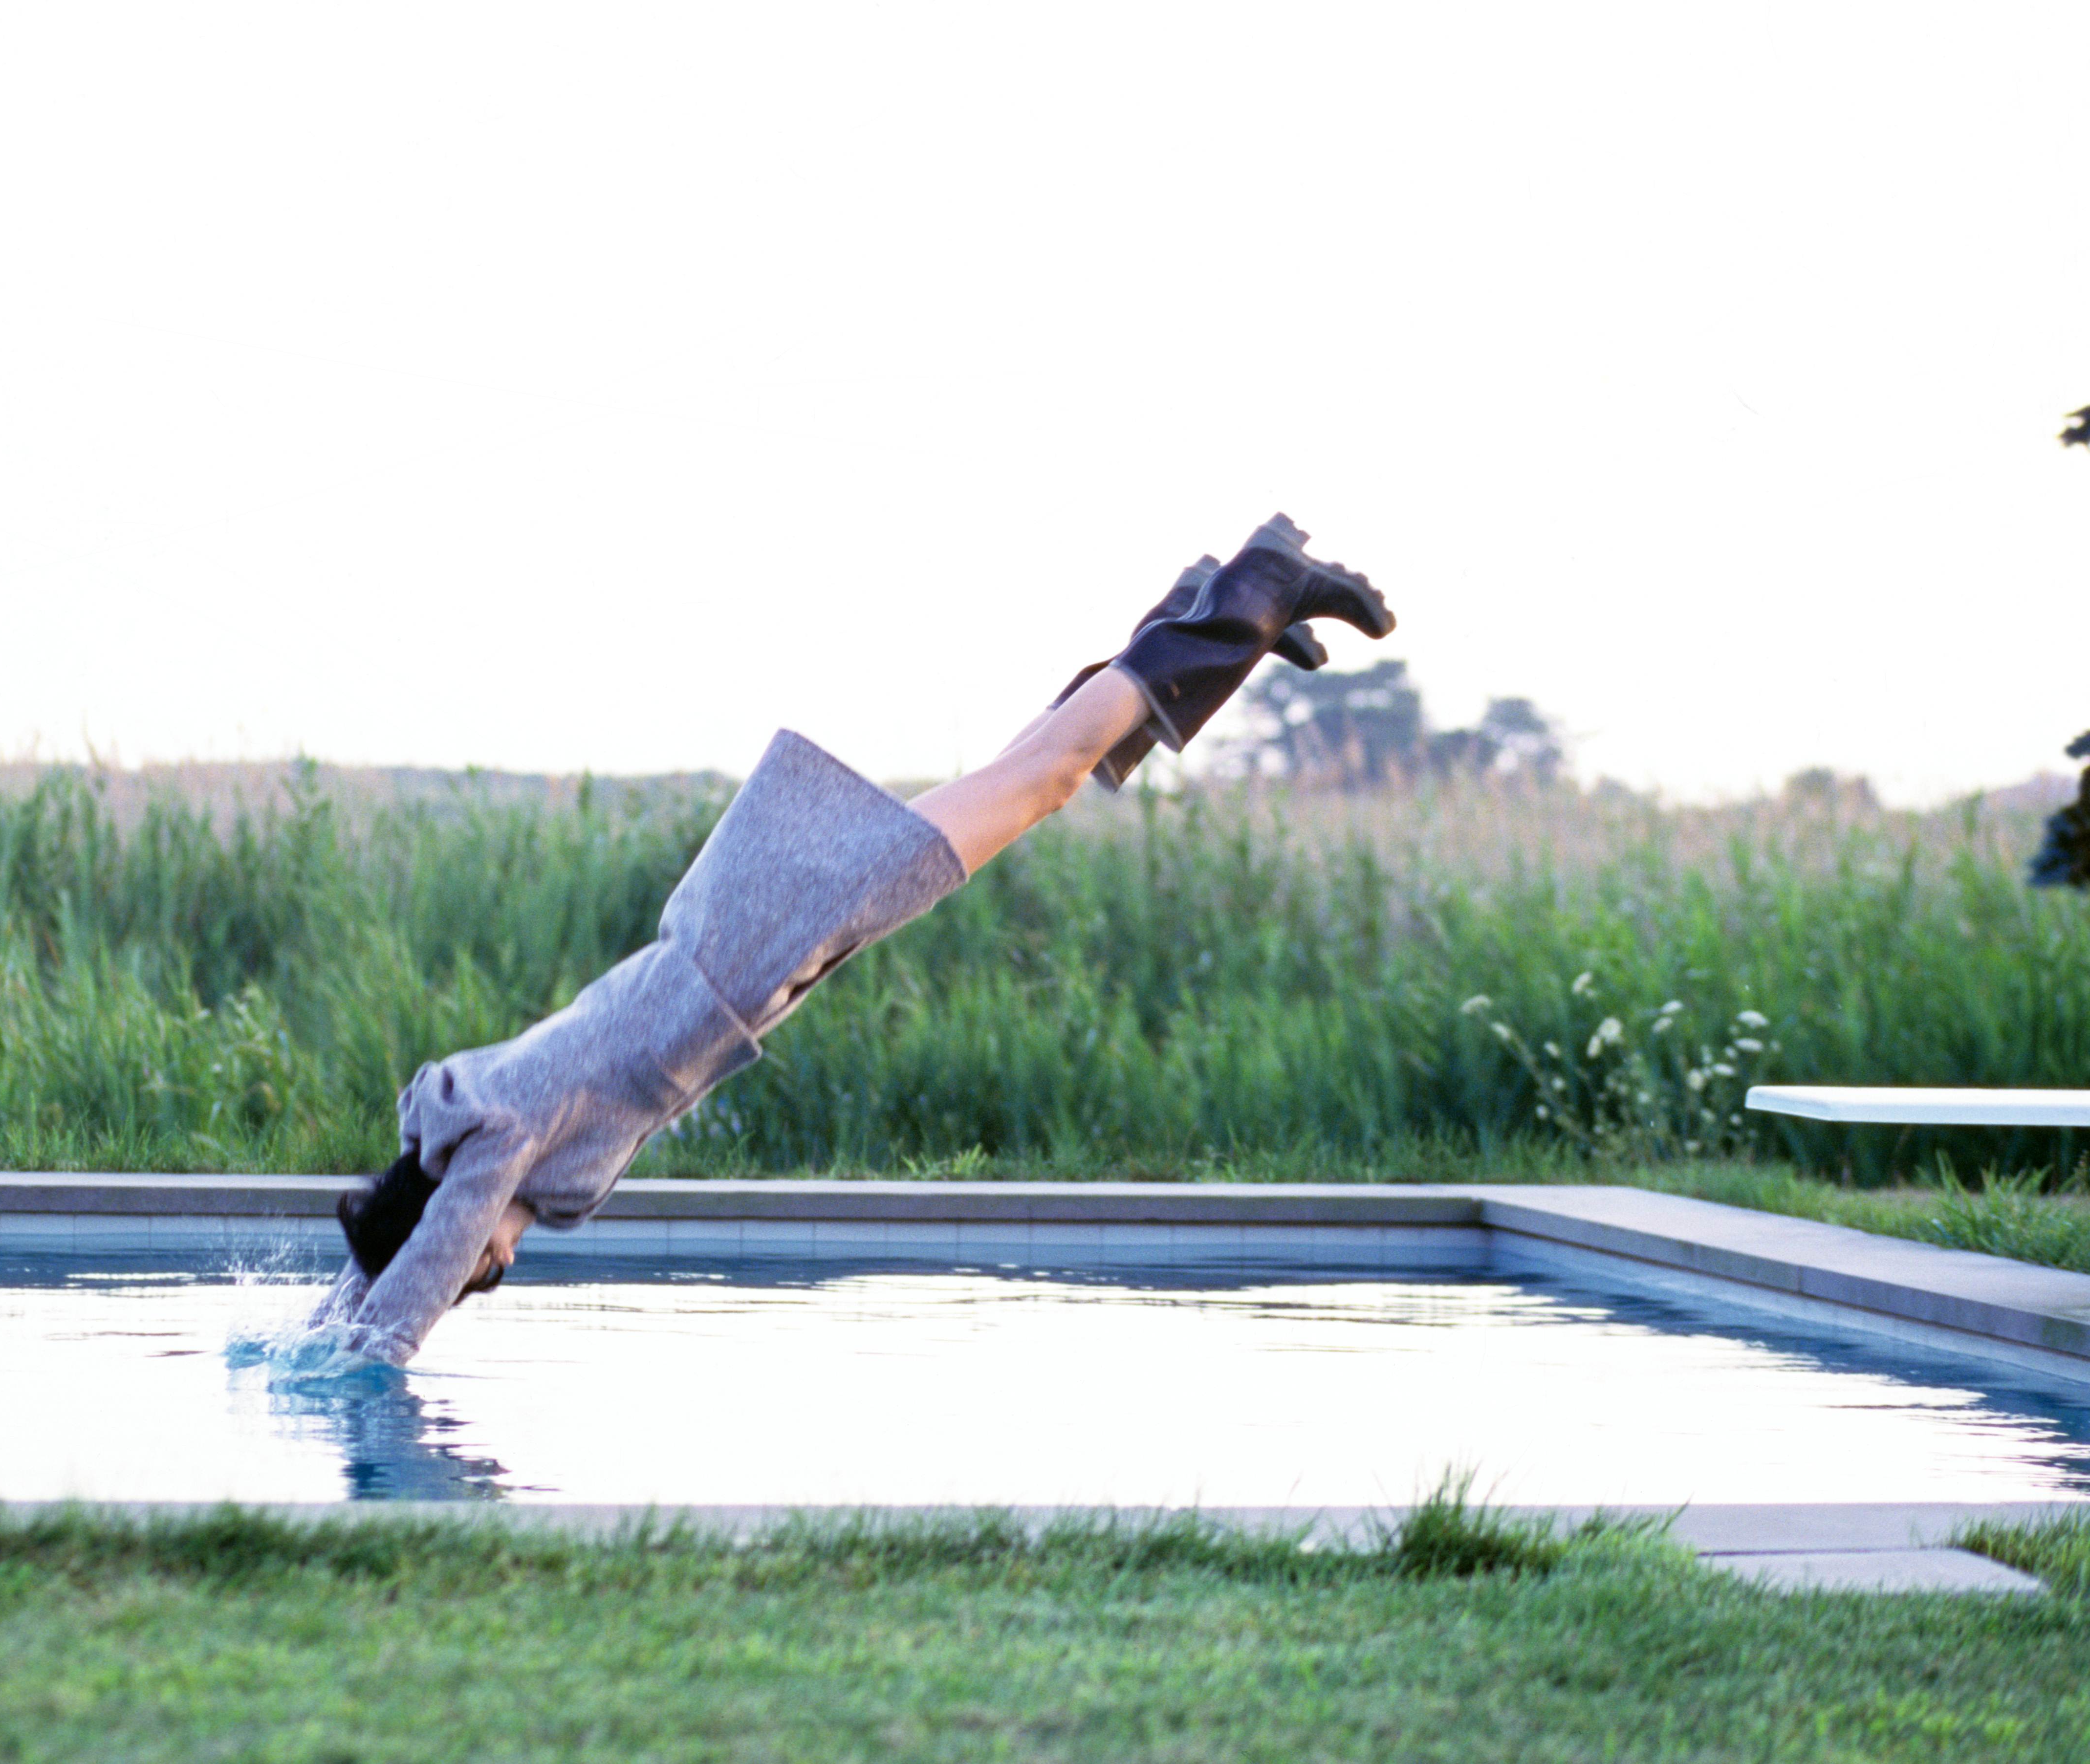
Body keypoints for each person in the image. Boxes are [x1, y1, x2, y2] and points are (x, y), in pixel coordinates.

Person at [309, 514, 1395, 1365]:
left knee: (1042, 779)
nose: (502, 1253)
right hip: (764, 939)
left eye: (487, 1261)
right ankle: (1214, 613)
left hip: (767, 926)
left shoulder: (491, 1141)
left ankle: (1258, 584)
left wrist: (369, 1354)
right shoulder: (484, 1125)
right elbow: (400, 1255)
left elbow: (418, 1271)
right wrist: (330, 1318)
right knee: (1029, 779)